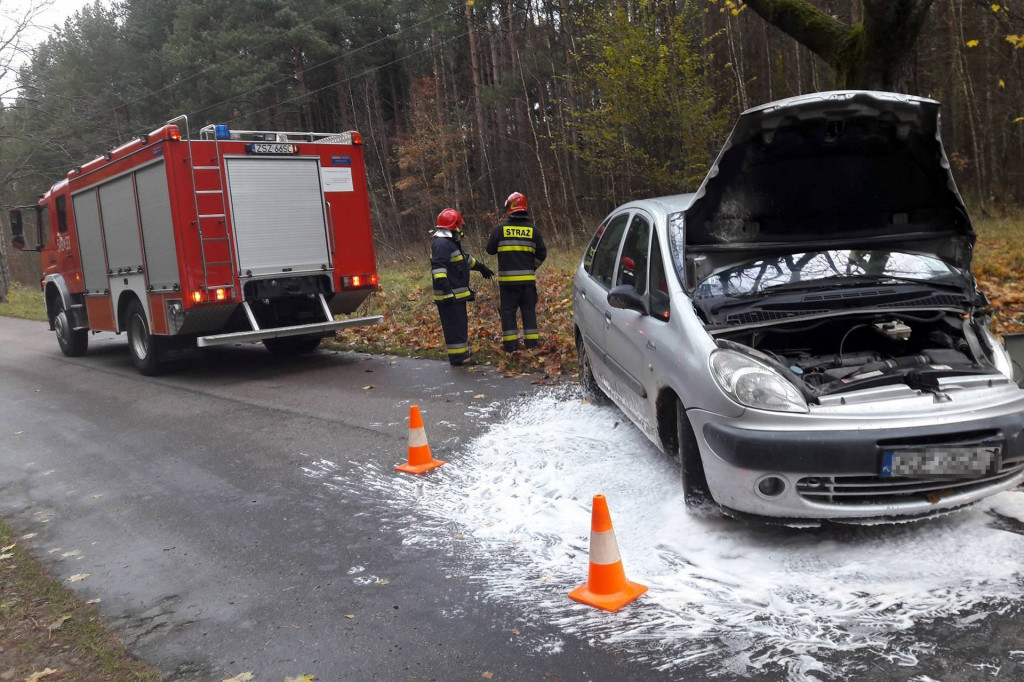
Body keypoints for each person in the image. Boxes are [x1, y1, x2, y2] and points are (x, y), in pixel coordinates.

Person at [430, 207, 494, 366]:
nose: (462, 229)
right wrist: (447, 291)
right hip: (449, 296)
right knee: (455, 328)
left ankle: (461, 355)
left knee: (459, 325)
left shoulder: (449, 243)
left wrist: (481, 268)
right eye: (460, 225)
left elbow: (465, 260)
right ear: (454, 225)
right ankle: (459, 358)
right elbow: (438, 270)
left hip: (455, 295)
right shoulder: (442, 244)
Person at [485, 191, 547, 352]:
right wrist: (531, 267)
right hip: (527, 283)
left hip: (508, 284)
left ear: (510, 208)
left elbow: (489, 250)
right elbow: (542, 254)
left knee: (508, 313)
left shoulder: (500, 229)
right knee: (528, 313)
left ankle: (511, 347)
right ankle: (533, 347)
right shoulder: (534, 230)